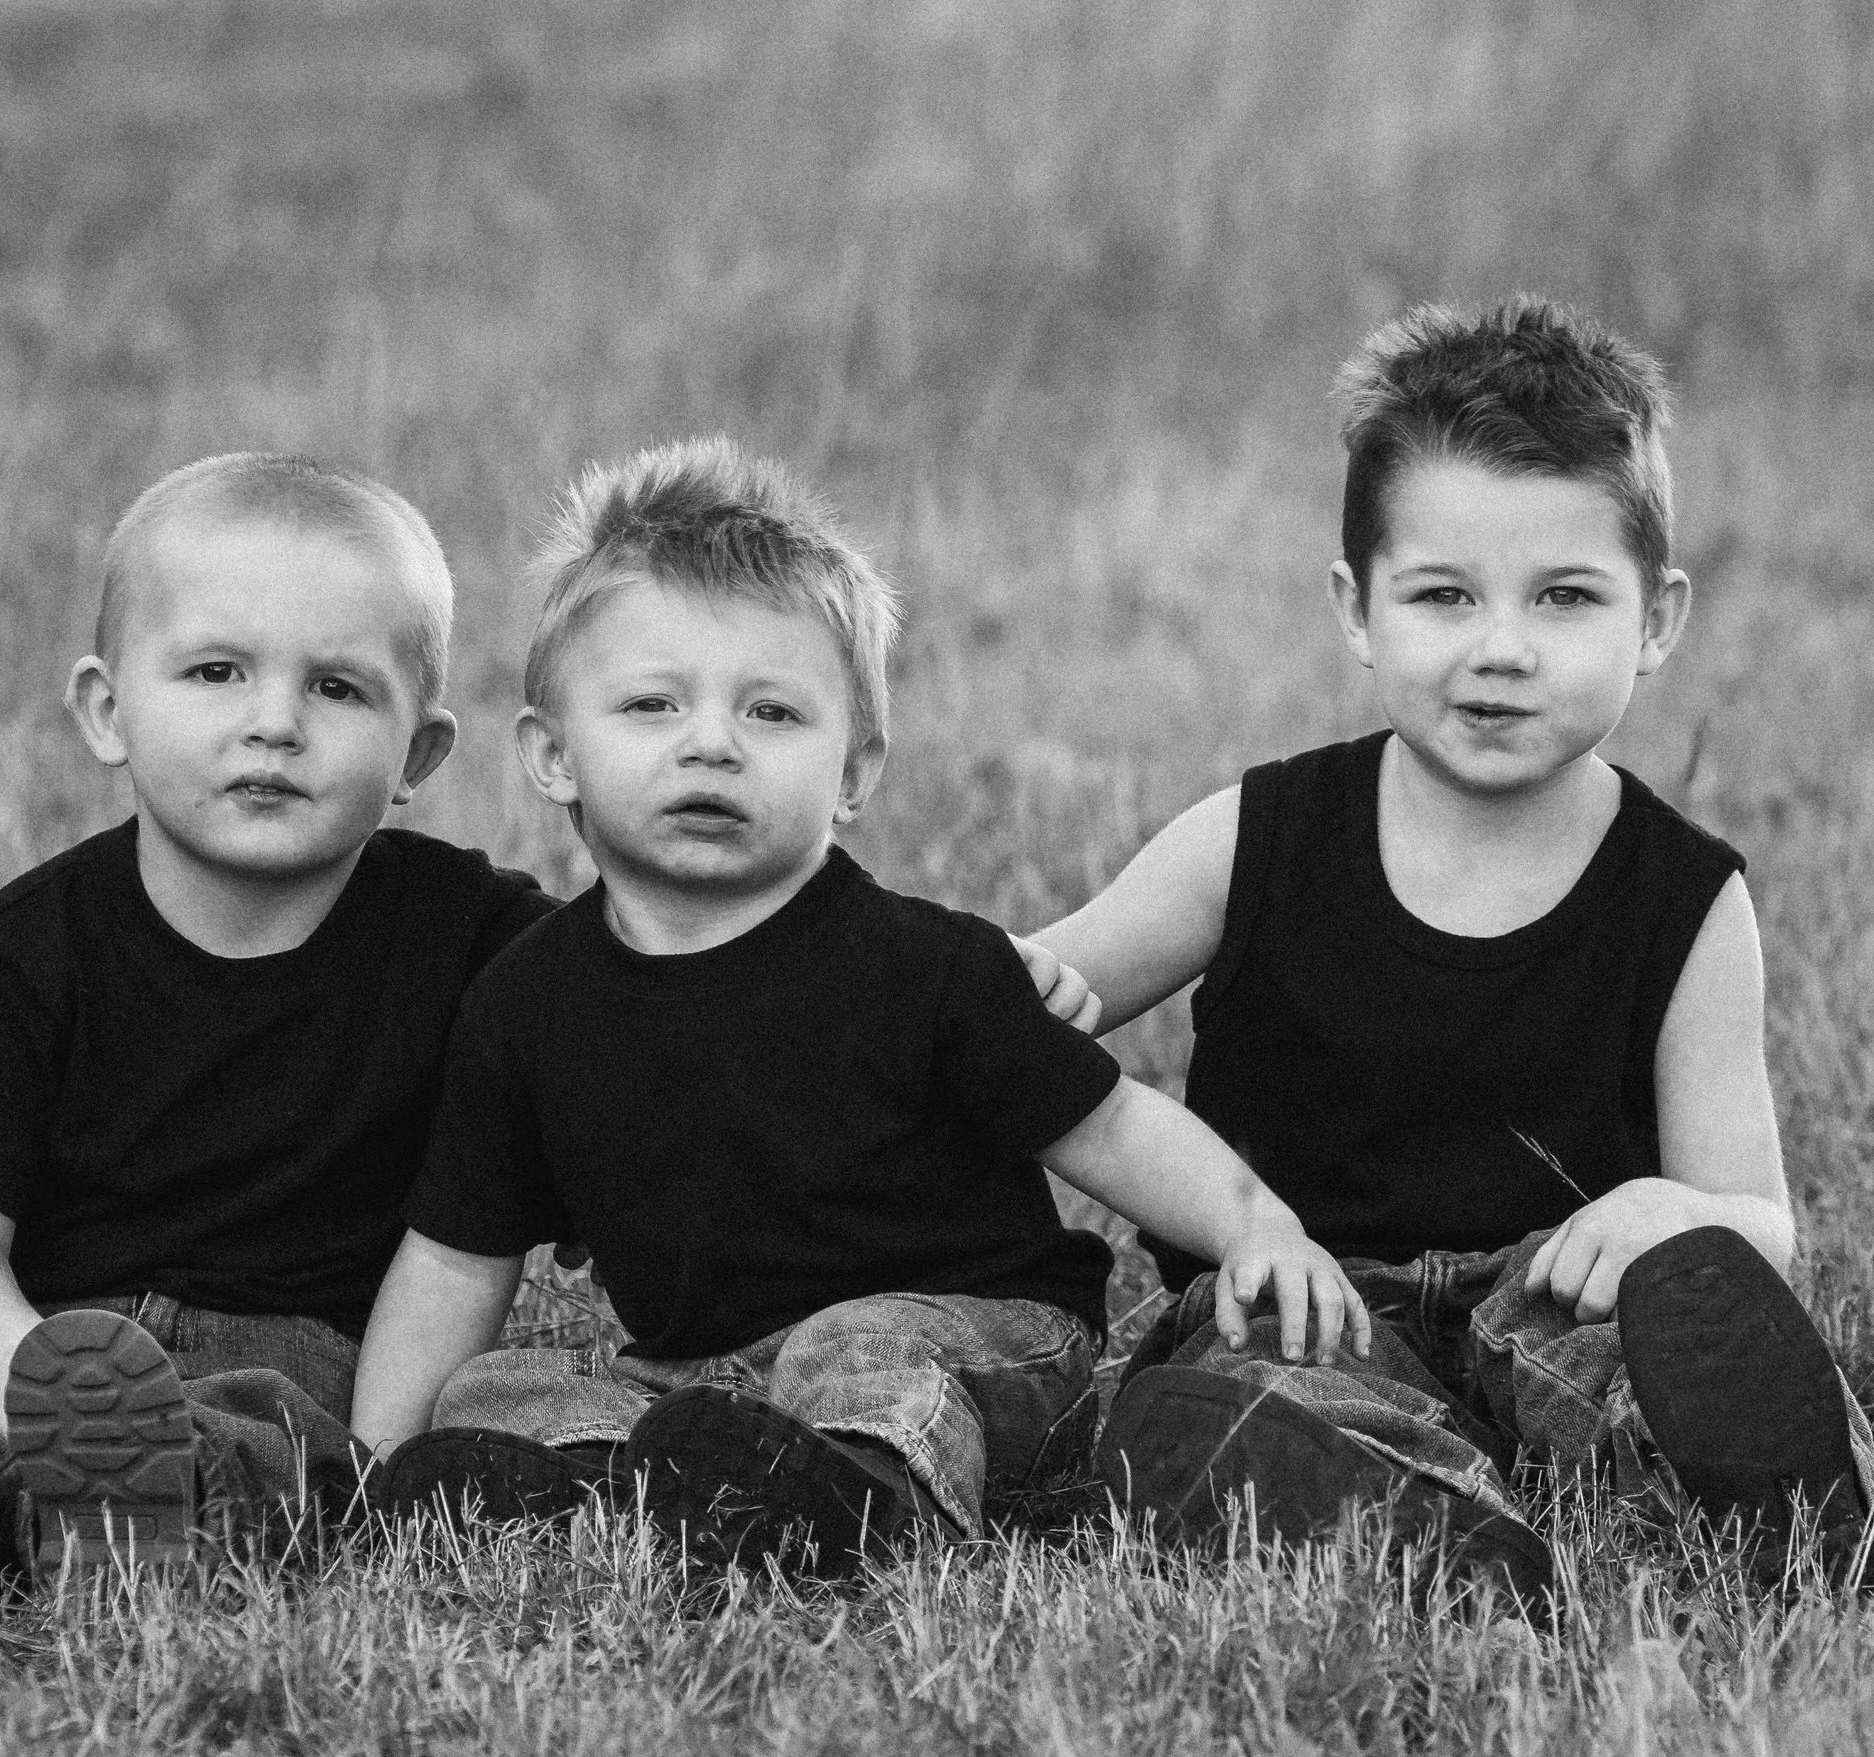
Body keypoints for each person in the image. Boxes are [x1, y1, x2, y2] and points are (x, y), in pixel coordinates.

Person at [344, 435, 1401, 1583]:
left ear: (853, 771)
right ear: (553, 755)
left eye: (771, 713)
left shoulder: (924, 965)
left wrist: (1255, 1227)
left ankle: (862, 1499)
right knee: (501, 1385)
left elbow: (1108, 1125)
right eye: (651, 704)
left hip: (974, 1334)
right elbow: (456, 1260)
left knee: (854, 1346)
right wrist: (373, 1462)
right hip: (704, 1374)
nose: (711, 742)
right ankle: (603, 1485)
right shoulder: (525, 1004)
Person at [1035, 297, 1874, 1584]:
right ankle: (1413, 1517)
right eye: (1442, 595)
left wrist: (1677, 1212)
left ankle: (1780, 1502)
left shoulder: (1683, 899)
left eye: (1564, 597)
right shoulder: (1256, 837)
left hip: (1560, 1294)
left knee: (1650, 1364)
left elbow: (1756, 1218)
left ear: (1656, 620)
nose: (1501, 649)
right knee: (1263, 1382)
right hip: (1301, 1289)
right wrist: (875, 972)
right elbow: (1033, 1002)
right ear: (1356, 609)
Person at [0, 453, 551, 1575]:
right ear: (108, 712)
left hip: (295, 1358)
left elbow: (633, 1002)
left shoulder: (473, 937)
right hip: (57, 1337)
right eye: (216, 671)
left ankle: (127, 1508)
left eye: (337, 689)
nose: (274, 722)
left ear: (420, 754)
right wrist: (26, 1372)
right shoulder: (31, 947)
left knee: (263, 1443)